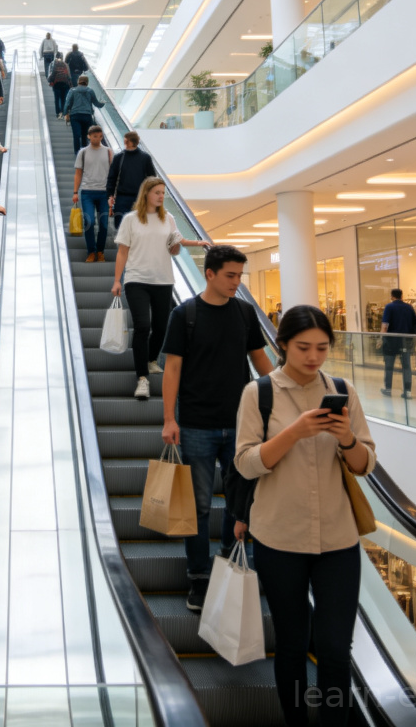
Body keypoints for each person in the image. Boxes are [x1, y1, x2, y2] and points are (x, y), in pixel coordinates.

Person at [233, 305, 375, 727]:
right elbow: (245, 463)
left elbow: (365, 464)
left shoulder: (343, 390)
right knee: (293, 645)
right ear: (282, 345)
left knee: (334, 647)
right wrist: (294, 432)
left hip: (338, 539)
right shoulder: (257, 393)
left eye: (322, 348)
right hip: (280, 538)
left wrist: (346, 437)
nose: (313, 357)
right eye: (303, 348)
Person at [159, 243, 271, 609]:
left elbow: (259, 360)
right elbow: (172, 367)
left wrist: (289, 391)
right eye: (230, 276)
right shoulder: (185, 314)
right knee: (199, 506)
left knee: (240, 502)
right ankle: (198, 577)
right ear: (209, 273)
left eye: (240, 275)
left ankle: (227, 561)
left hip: (242, 425)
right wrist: (169, 419)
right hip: (196, 425)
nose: (237, 282)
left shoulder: (244, 312)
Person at [113, 178, 209, 401]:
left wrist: (194, 244)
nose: (160, 196)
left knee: (161, 326)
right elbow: (122, 252)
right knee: (142, 326)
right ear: (146, 193)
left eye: (163, 193)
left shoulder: (169, 219)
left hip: (163, 280)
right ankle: (142, 379)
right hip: (136, 280)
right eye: (157, 192)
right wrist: (117, 280)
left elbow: (175, 248)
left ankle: (152, 359)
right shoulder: (131, 220)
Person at [73, 125, 113, 262]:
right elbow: (78, 173)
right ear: (89, 136)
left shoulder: (108, 151)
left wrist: (113, 194)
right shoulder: (83, 152)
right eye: (95, 136)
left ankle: (100, 251)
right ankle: (91, 251)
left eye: (100, 136)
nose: (97, 139)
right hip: (87, 192)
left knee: (104, 224)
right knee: (89, 221)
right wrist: (75, 192)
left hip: (104, 193)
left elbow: (113, 174)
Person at [106, 130, 157, 230]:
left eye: (126, 141)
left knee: (139, 227)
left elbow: (152, 179)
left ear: (132, 142)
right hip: (122, 198)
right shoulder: (119, 158)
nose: (125, 144)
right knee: (121, 227)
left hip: (140, 198)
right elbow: (112, 177)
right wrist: (110, 195)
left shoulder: (145, 158)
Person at [379, 288, 416, 398]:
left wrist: (381, 338)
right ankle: (407, 391)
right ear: (402, 296)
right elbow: (415, 325)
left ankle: (388, 389)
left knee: (389, 366)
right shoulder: (409, 307)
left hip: (391, 342)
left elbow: (385, 325)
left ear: (392, 296)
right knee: (406, 367)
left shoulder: (389, 307)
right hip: (406, 342)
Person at [63, 75, 107, 154]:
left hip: (75, 115)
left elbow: (67, 103)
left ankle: (77, 153)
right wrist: (104, 103)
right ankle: (84, 152)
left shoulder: (72, 91)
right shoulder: (90, 91)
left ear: (78, 81)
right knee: (84, 135)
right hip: (87, 115)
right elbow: (96, 103)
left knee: (76, 135)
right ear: (87, 82)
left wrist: (65, 113)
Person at [48, 51, 71, 118]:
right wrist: (69, 82)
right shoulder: (65, 64)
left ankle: (58, 113)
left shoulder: (53, 63)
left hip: (57, 83)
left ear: (56, 57)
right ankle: (63, 113)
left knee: (57, 98)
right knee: (63, 99)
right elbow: (69, 75)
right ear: (62, 57)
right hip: (65, 83)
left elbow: (51, 73)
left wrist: (50, 80)